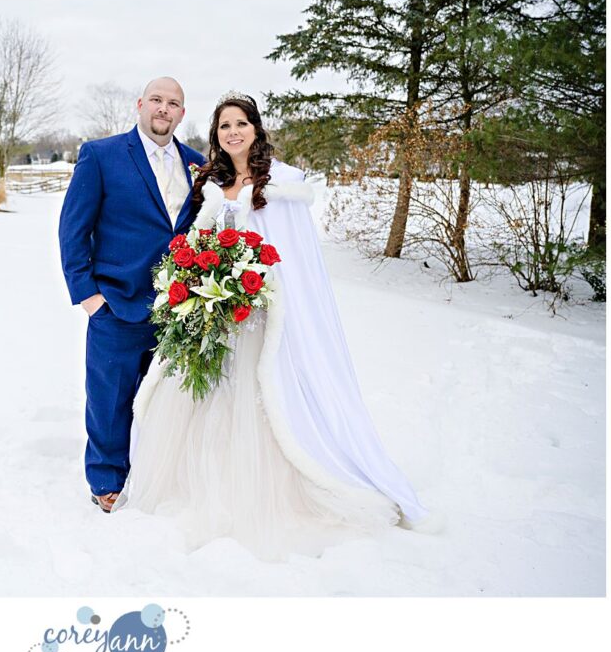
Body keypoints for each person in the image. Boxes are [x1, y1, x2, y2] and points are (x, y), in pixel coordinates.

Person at [118, 91, 443, 560]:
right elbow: (200, 240)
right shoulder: (211, 183)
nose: (233, 132)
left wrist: (255, 288)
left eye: (241, 124)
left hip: (262, 317)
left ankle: (270, 490)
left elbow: (296, 259)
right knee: (206, 399)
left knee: (259, 402)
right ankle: (205, 488)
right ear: (216, 135)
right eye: (224, 126)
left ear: (255, 129)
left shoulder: (283, 184)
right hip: (216, 316)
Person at [58, 77, 207, 513]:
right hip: (115, 306)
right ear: (140, 105)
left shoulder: (198, 165)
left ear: (182, 113)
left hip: (177, 308)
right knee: (109, 400)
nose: (164, 108)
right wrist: (89, 296)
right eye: (156, 100)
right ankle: (106, 478)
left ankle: (156, 473)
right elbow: (72, 230)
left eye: (174, 103)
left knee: (165, 399)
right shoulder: (100, 156)